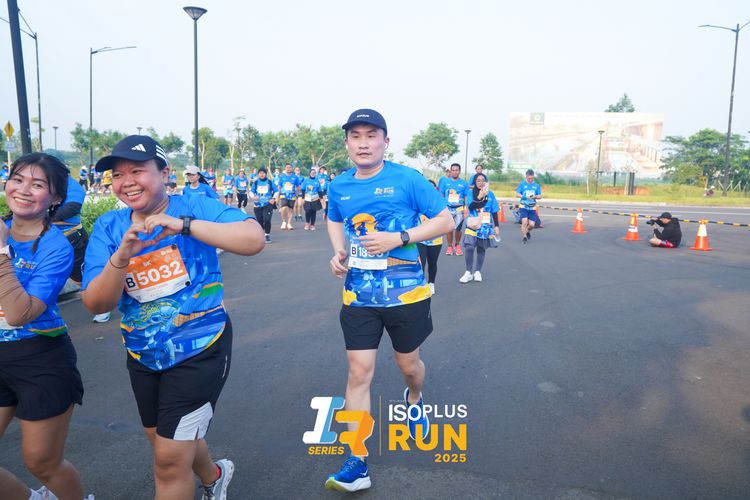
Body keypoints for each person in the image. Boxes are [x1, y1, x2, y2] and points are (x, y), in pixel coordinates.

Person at [81, 135, 265, 500]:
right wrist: (122, 256)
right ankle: (214, 476)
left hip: (200, 347)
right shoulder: (109, 227)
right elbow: (96, 303)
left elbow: (253, 238)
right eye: (117, 175)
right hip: (143, 352)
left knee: (168, 459)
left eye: (137, 171)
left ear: (165, 173)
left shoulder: (195, 205)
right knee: (163, 438)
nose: (127, 182)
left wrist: (184, 226)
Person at [325, 109, 453, 492]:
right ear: (347, 143)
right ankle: (357, 461)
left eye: (371, 135)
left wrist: (399, 238)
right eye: (356, 136)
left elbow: (445, 221)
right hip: (359, 296)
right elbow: (334, 218)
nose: (363, 143)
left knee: (408, 366)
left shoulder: (407, 179)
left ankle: (414, 398)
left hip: (406, 294)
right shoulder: (339, 185)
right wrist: (339, 251)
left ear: (386, 142)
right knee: (358, 373)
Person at [0, 153, 92, 500]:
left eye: (37, 184)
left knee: (42, 462)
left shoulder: (56, 247)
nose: (23, 190)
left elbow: (20, 312)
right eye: (18, 179)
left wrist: (1, 251)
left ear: (55, 198)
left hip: (40, 359)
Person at [459, 173, 500, 283]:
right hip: (472, 223)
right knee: (469, 247)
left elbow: (494, 211)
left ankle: (477, 271)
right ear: (475, 182)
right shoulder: (470, 193)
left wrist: (496, 226)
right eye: (478, 180)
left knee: (481, 248)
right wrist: (479, 196)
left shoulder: (490, 194)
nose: (481, 183)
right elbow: (470, 206)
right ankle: (468, 272)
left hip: (485, 225)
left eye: (483, 180)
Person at [417, 180, 443, 295]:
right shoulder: (417, 202)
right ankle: (421, 284)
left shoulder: (440, 203)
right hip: (421, 238)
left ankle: (431, 283)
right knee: (421, 262)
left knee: (432, 262)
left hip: (435, 238)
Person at [440, 163, 470, 256]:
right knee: (449, 228)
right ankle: (449, 246)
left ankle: (457, 245)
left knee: (458, 229)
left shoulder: (464, 183)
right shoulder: (445, 182)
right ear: (451, 171)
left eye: (456, 170)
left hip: (459, 209)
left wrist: (466, 208)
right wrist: (442, 207)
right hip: (448, 208)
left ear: (459, 171)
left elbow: (466, 196)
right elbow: (441, 195)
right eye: (453, 170)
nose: (455, 172)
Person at [515, 169, 542, 243]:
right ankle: (524, 237)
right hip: (523, 206)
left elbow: (540, 196)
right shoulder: (522, 184)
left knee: (532, 225)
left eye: (532, 178)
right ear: (526, 177)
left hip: (532, 207)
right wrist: (524, 196)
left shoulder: (536, 185)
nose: (530, 180)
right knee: (524, 222)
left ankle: (527, 231)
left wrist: (535, 196)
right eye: (529, 178)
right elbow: (517, 194)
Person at [251, 167, 277, 243]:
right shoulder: (256, 182)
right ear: (258, 174)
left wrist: (273, 198)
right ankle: (261, 234)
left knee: (267, 219)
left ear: (266, 174)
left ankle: (267, 235)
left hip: (267, 204)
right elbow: (251, 192)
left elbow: (276, 191)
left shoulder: (270, 182)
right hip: (258, 205)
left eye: (263, 173)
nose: (261, 174)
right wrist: (253, 196)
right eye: (260, 173)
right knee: (260, 221)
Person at [278, 163, 299, 230]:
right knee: (283, 208)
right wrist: (278, 195)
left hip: (292, 195)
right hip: (284, 195)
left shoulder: (295, 177)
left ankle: (289, 223)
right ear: (285, 168)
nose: (288, 169)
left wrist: (297, 194)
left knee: (290, 209)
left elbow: (297, 186)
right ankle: (284, 222)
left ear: (292, 168)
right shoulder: (282, 177)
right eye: (287, 167)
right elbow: (279, 186)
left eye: (289, 167)